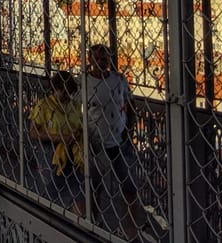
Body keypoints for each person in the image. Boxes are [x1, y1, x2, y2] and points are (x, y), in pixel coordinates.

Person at [85, 43, 146, 237]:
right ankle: (94, 223)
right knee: (95, 186)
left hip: (120, 140)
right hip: (96, 142)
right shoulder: (83, 82)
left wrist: (129, 128)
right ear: (90, 60)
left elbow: (131, 103)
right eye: (97, 59)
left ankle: (130, 229)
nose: (101, 62)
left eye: (105, 58)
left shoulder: (119, 79)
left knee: (129, 187)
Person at [28, 71, 84, 214]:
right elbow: (33, 132)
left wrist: (78, 134)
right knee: (50, 193)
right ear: (55, 89)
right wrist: (59, 137)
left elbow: (80, 125)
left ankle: (76, 220)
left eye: (69, 92)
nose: (66, 95)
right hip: (51, 156)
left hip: (74, 155)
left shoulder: (75, 106)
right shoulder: (44, 105)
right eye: (62, 91)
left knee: (78, 192)